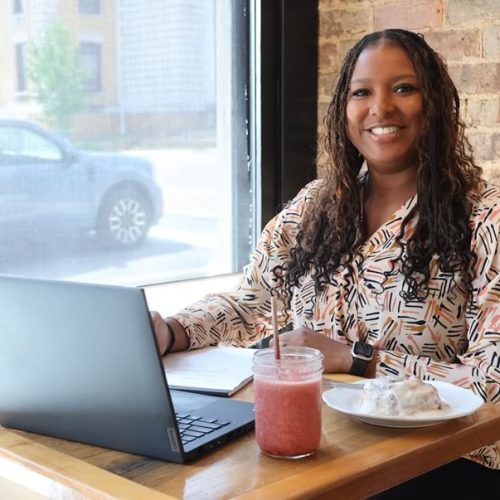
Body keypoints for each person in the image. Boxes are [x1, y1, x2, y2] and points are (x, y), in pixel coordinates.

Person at [151, 28, 500, 491]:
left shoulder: (484, 217)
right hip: (318, 444)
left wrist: (355, 360)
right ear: (343, 110)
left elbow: (492, 380)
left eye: (403, 88)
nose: (381, 108)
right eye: (362, 92)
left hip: (437, 463)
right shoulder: (315, 205)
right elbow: (252, 301)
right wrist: (172, 331)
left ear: (434, 103)